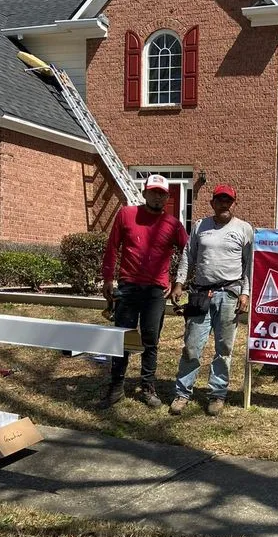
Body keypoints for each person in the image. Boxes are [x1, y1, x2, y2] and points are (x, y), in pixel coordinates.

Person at [99, 174, 188, 409]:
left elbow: (188, 253)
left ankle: (148, 387)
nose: (157, 197)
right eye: (153, 192)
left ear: (167, 196)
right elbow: (112, 247)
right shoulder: (126, 214)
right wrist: (108, 279)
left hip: (155, 292)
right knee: (122, 339)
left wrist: (178, 281)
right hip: (127, 288)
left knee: (151, 340)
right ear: (145, 192)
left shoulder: (173, 225)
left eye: (162, 193)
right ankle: (116, 387)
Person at [169, 184, 253, 416]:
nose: (224, 204)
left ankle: (217, 394)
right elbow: (188, 255)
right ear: (212, 203)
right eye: (220, 200)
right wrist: (179, 283)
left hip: (229, 295)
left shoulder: (245, 229)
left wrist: (245, 293)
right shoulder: (200, 227)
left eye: (228, 200)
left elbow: (250, 266)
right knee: (192, 346)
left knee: (224, 348)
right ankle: (182, 393)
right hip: (200, 295)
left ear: (234, 203)